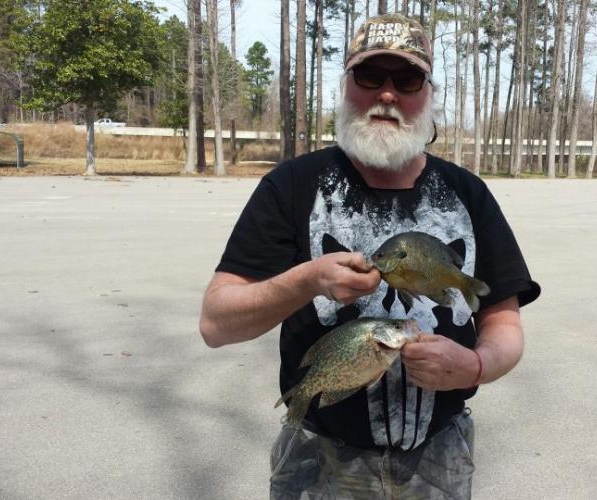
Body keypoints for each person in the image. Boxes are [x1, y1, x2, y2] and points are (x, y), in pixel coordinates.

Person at [200, 13, 541, 499]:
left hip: (439, 455)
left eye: (406, 79)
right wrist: (305, 281)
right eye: (369, 76)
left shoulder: (469, 194)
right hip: (319, 458)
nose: (387, 94)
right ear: (345, 86)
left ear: (428, 94)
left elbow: (504, 324)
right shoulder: (292, 187)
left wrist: (476, 366)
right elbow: (216, 323)